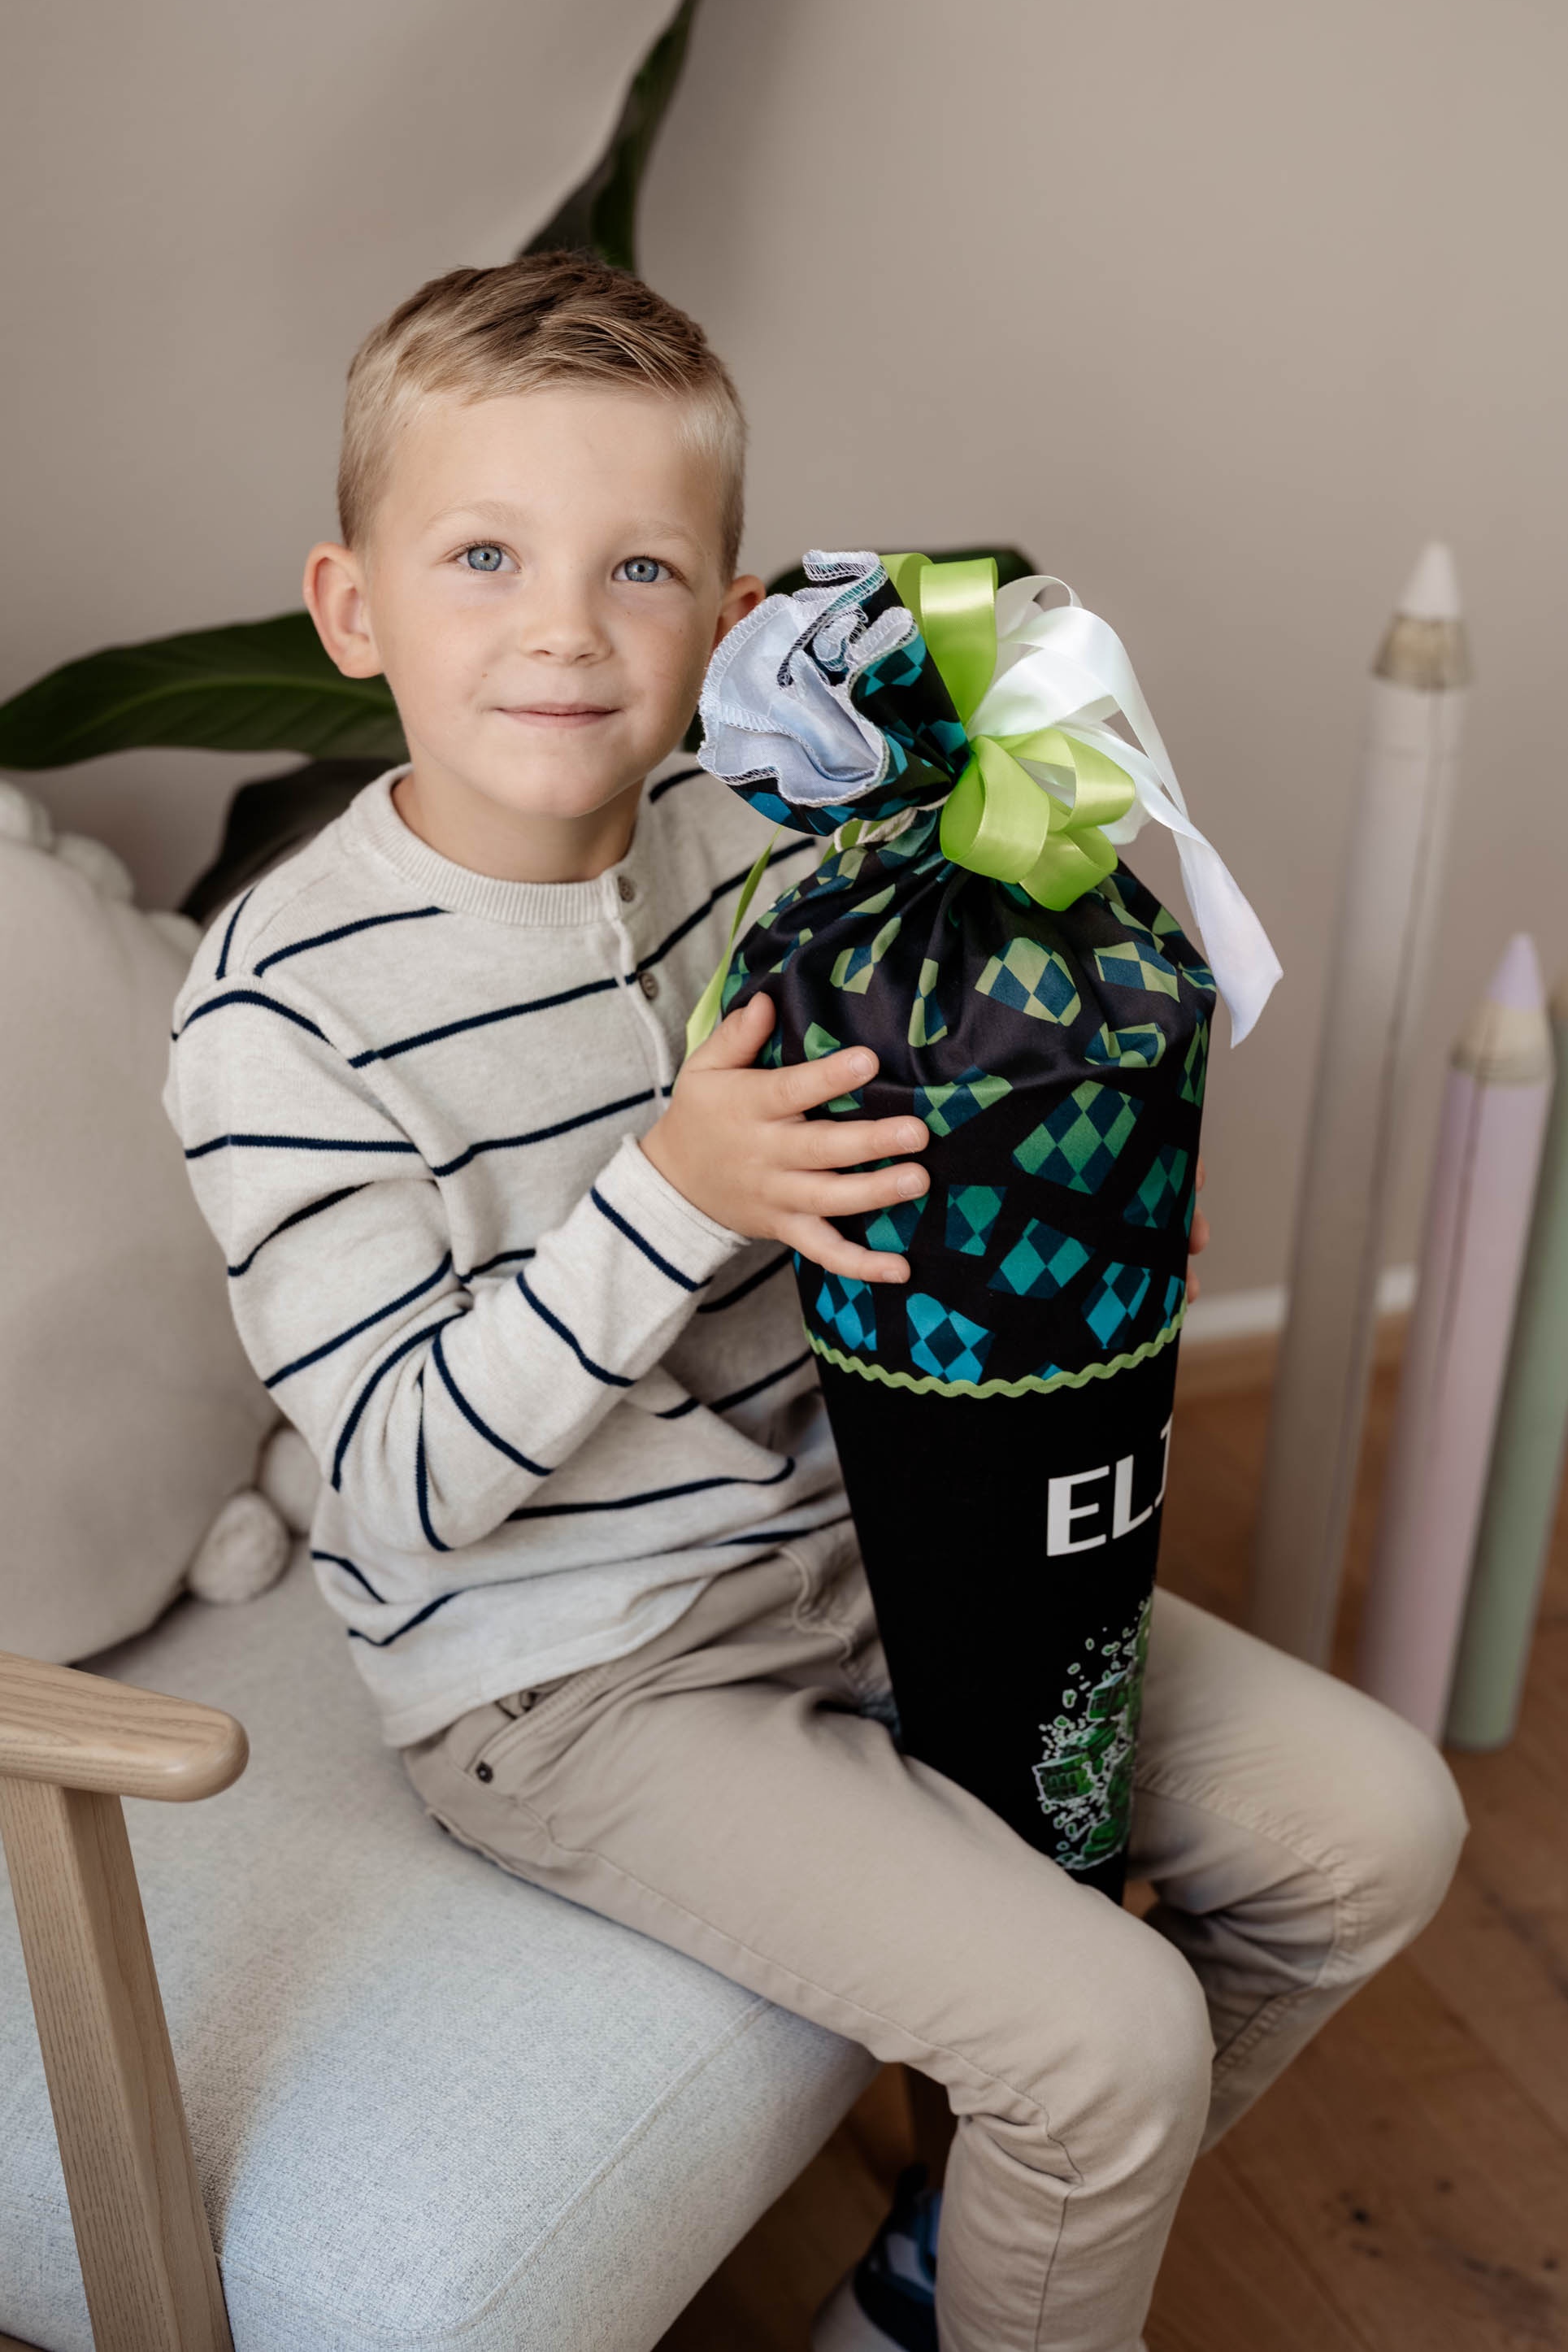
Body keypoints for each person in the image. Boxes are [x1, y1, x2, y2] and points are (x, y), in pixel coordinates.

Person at [163, 250, 1466, 2352]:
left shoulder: (765, 845)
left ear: (729, 620)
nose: (564, 626)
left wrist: (1052, 1199)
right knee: (1111, 2034)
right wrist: (675, 1191)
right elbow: (400, 1482)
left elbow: (915, 1144)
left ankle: (956, 2274)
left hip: (885, 1537)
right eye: (483, 554)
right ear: (352, 606)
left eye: (641, 567)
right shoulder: (277, 1008)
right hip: (580, 1676)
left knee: (1374, 1833)